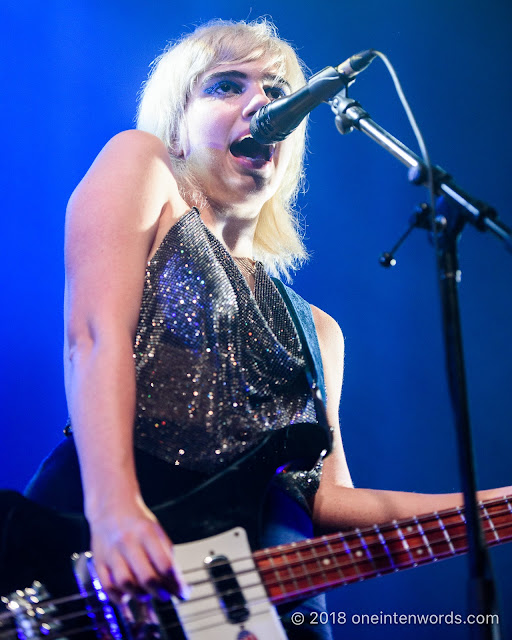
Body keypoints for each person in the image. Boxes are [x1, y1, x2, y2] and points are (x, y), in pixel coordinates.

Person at [24, 18, 510, 640]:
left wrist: (495, 505)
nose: (261, 103)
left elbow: (329, 501)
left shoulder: (318, 331)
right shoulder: (138, 162)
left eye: (278, 93)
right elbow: (92, 337)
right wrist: (115, 512)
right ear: (175, 125)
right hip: (86, 566)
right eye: (227, 85)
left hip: (233, 613)